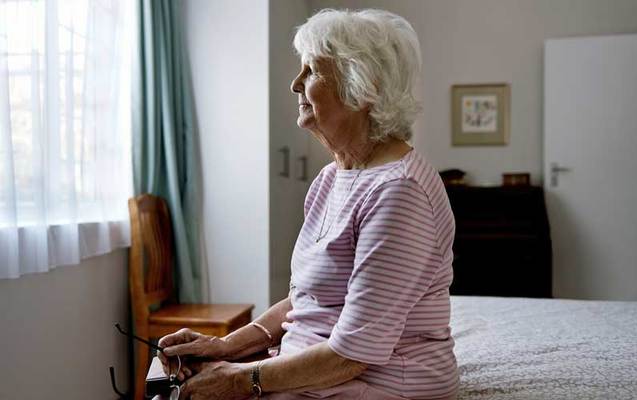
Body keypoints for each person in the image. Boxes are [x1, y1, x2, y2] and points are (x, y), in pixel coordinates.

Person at [158, 8, 459, 400]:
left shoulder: (399, 192)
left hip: (381, 384)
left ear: (361, 88)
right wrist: (224, 347)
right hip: (324, 371)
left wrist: (239, 379)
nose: (295, 85)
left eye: (312, 71)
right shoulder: (331, 178)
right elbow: (307, 300)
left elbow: (352, 354)